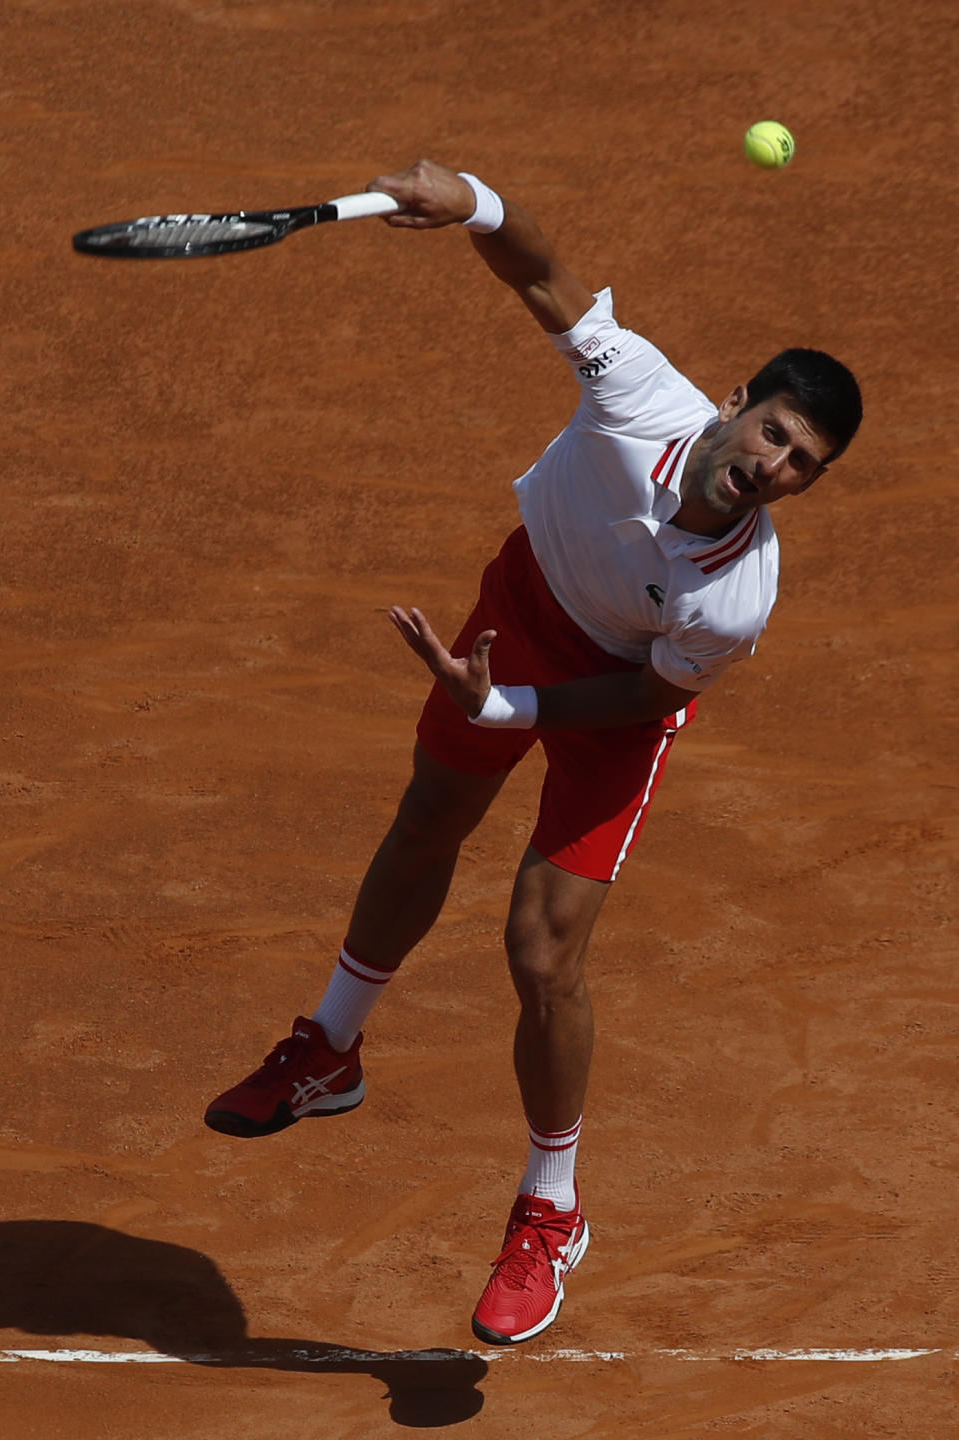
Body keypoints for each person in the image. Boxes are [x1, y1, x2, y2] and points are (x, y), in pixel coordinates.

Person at [205, 159, 863, 1346]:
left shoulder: (736, 600)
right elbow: (546, 280)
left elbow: (643, 691)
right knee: (427, 819)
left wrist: (506, 708)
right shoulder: (640, 396)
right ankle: (328, 1050)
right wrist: (476, 202)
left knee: (542, 955)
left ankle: (549, 1210)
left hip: (611, 702)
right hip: (520, 606)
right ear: (734, 399)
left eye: (801, 464)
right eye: (773, 431)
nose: (773, 465)